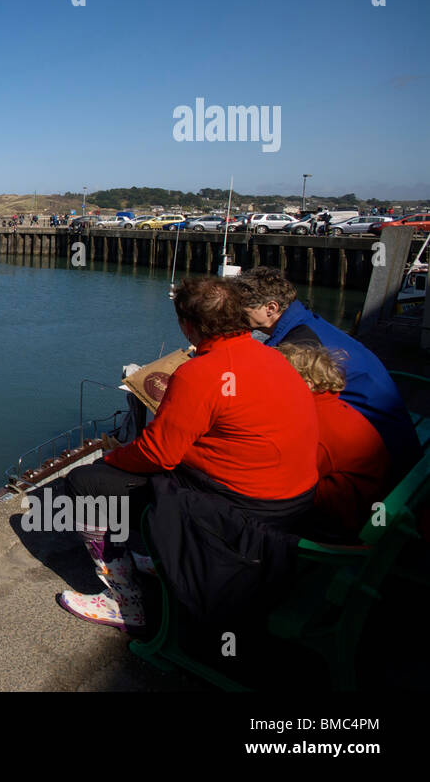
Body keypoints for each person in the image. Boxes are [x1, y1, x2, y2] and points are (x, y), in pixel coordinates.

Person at [57, 277, 319, 631]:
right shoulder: (272, 357)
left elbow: (157, 454)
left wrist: (110, 460)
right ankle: (154, 555)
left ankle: (125, 601)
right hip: (293, 502)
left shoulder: (200, 373)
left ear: (187, 324)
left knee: (85, 483)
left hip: (243, 515)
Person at [236, 266, 419, 472]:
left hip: (378, 452)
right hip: (390, 433)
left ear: (271, 307)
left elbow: (275, 410)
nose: (235, 313)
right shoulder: (306, 324)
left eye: (241, 308)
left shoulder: (301, 345)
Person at [277, 343, 391, 540]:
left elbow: (289, 482)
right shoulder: (333, 407)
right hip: (369, 505)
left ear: (308, 383)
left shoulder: (315, 427)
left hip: (342, 522)